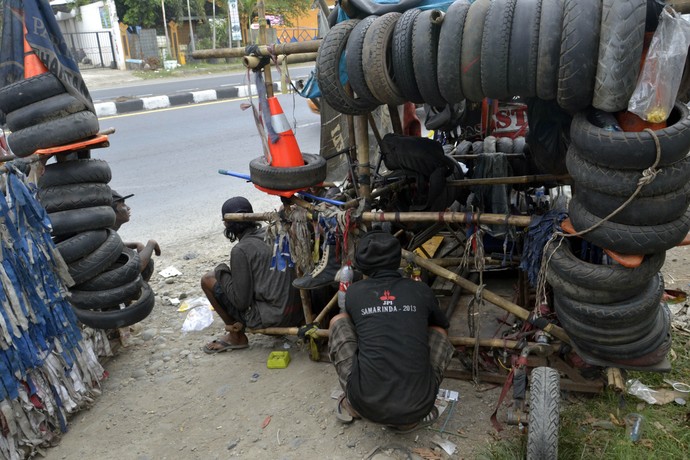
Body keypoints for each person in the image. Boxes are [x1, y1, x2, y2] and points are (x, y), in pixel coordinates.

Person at [328, 229, 455, 432]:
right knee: (439, 331)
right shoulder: (420, 290)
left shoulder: (354, 293)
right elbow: (441, 325)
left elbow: (357, 326)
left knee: (339, 320)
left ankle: (353, 404)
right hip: (419, 406)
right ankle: (408, 416)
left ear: (362, 266)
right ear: (398, 260)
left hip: (365, 404)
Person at [201, 196, 304, 354]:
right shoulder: (276, 232)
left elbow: (241, 302)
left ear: (226, 224)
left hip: (275, 318)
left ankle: (236, 336)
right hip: (297, 312)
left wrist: (222, 271)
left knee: (208, 279)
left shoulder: (241, 250)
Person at [111, 190, 160, 281]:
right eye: (122, 205)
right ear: (110, 211)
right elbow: (137, 268)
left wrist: (136, 244)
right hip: (110, 283)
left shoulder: (107, 233)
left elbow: (114, 246)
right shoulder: (103, 235)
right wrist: (151, 243)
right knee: (147, 263)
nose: (128, 208)